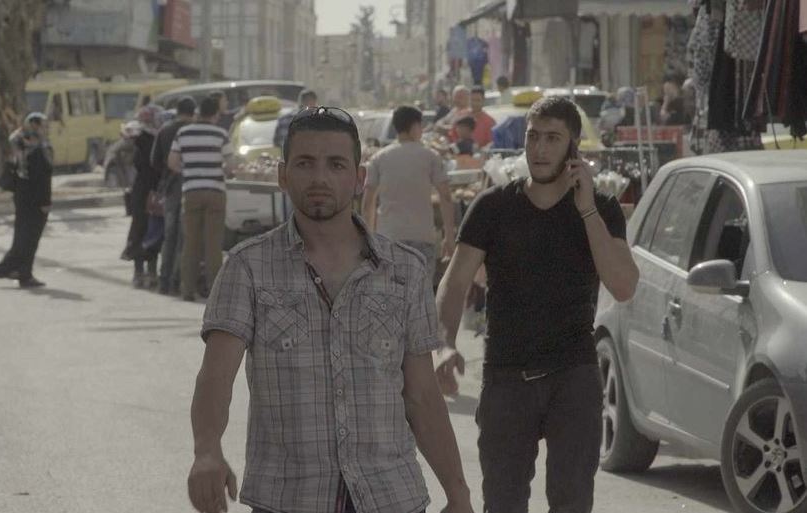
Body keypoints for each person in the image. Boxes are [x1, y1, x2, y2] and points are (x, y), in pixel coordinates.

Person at [188, 105, 473, 513]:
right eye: (305, 163)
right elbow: (216, 377)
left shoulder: (404, 270)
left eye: (336, 165)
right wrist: (207, 451)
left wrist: (458, 493)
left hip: (390, 497)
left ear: (359, 179)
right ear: (283, 176)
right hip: (289, 499)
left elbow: (423, 396)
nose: (320, 178)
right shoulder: (248, 268)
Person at [434, 96, 639, 513]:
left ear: (573, 146)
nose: (540, 149)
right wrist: (443, 343)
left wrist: (586, 210)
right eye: (533, 137)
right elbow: (454, 284)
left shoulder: (601, 208)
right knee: (503, 503)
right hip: (507, 376)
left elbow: (623, 285)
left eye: (553, 138)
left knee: (572, 502)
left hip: (573, 375)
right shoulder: (493, 206)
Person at [361, 105, 457, 285]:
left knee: (391, 295)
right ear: (414, 127)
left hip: (388, 239)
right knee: (420, 295)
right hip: (422, 238)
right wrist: (449, 237)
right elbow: (445, 197)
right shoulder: (430, 157)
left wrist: (369, 240)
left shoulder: (379, 158)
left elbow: (368, 204)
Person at [168, 97, 232, 301]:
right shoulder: (221, 134)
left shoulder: (183, 133)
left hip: (191, 192)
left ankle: (187, 290)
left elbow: (172, 162)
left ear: (198, 112)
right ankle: (214, 291)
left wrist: (189, 171)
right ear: (215, 114)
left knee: (191, 243)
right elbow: (230, 166)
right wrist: (222, 170)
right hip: (215, 192)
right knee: (213, 244)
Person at [0, 113, 53, 288]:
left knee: (23, 236)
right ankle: (21, 272)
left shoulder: (19, 141)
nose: (47, 129)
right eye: (44, 126)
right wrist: (45, 201)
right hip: (35, 199)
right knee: (30, 238)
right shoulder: (35, 146)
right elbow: (42, 176)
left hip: (22, 196)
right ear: (34, 125)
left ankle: (17, 269)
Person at [151, 97, 197, 295]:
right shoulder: (193, 131)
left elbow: (154, 161)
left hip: (170, 187)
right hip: (190, 185)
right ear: (193, 112)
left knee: (169, 235)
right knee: (184, 236)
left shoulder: (165, 130)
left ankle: (164, 280)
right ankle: (178, 280)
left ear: (177, 111)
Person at [123, 105, 165, 289]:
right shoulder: (152, 139)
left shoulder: (138, 139)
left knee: (141, 230)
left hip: (142, 191)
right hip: (154, 190)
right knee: (153, 231)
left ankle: (140, 273)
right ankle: (149, 272)